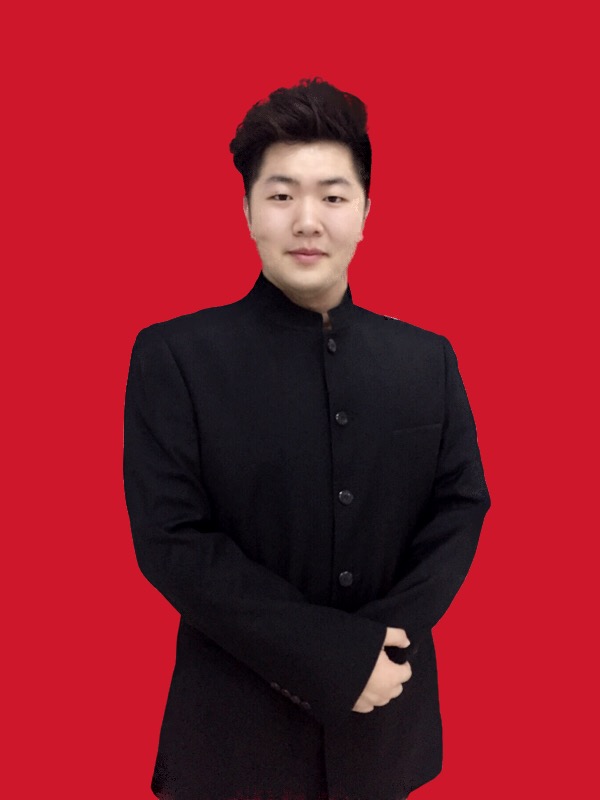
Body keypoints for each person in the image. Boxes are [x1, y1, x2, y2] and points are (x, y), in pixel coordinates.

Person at [123, 76, 491, 800]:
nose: (307, 220)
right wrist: (338, 658)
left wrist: (384, 645)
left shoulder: (427, 358)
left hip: (388, 734)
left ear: (366, 212)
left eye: (333, 196)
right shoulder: (176, 355)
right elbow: (172, 541)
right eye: (282, 194)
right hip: (231, 744)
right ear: (247, 210)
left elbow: (461, 506)